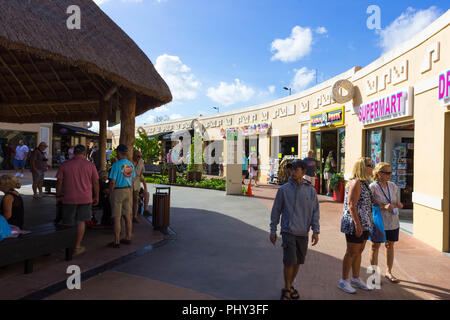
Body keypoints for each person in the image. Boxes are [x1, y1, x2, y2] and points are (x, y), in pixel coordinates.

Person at [270, 159, 320, 300]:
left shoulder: (311, 191)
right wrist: (273, 230)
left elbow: (315, 212)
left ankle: (290, 285)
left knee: (298, 261)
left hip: (303, 232)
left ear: (303, 172)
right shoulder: (283, 190)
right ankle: (287, 288)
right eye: (291, 169)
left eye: (296, 169)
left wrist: (316, 230)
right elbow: (276, 212)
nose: (292, 172)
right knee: (289, 261)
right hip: (288, 231)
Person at [338, 157, 374, 294]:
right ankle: (343, 280)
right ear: (362, 168)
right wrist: (357, 225)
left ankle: (355, 278)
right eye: (370, 165)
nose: (372, 167)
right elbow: (351, 205)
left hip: (364, 223)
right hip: (355, 224)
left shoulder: (365, 183)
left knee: (358, 252)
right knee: (351, 252)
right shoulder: (356, 183)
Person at [56, 144, 99, 256]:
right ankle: (77, 246)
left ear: (74, 153)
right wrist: (97, 196)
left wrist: (58, 195)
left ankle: (66, 246)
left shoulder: (65, 165)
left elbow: (59, 182)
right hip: (85, 198)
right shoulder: (90, 165)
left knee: (67, 222)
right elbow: (95, 182)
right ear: (84, 154)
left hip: (68, 198)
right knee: (81, 222)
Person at [369, 162, 403, 283]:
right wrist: (383, 206)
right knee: (375, 246)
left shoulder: (393, 186)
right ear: (379, 173)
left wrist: (398, 204)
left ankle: (389, 272)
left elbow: (396, 201)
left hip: (393, 221)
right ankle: (373, 275)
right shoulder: (373, 187)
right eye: (387, 172)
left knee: (390, 245)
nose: (390, 175)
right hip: (379, 221)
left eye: (390, 172)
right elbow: (369, 204)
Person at [109, 144, 135, 248]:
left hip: (118, 191)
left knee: (117, 217)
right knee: (128, 216)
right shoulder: (130, 164)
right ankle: (128, 237)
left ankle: (116, 241)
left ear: (119, 153)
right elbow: (132, 180)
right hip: (128, 191)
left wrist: (110, 192)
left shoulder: (116, 165)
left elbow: (112, 182)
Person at [132, 150, 150, 223]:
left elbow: (141, 173)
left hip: (136, 183)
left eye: (140, 156)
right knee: (130, 200)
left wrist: (145, 188)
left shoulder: (141, 161)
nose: (139, 158)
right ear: (133, 155)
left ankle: (135, 216)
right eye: (138, 156)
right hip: (129, 183)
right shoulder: (130, 161)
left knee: (136, 199)